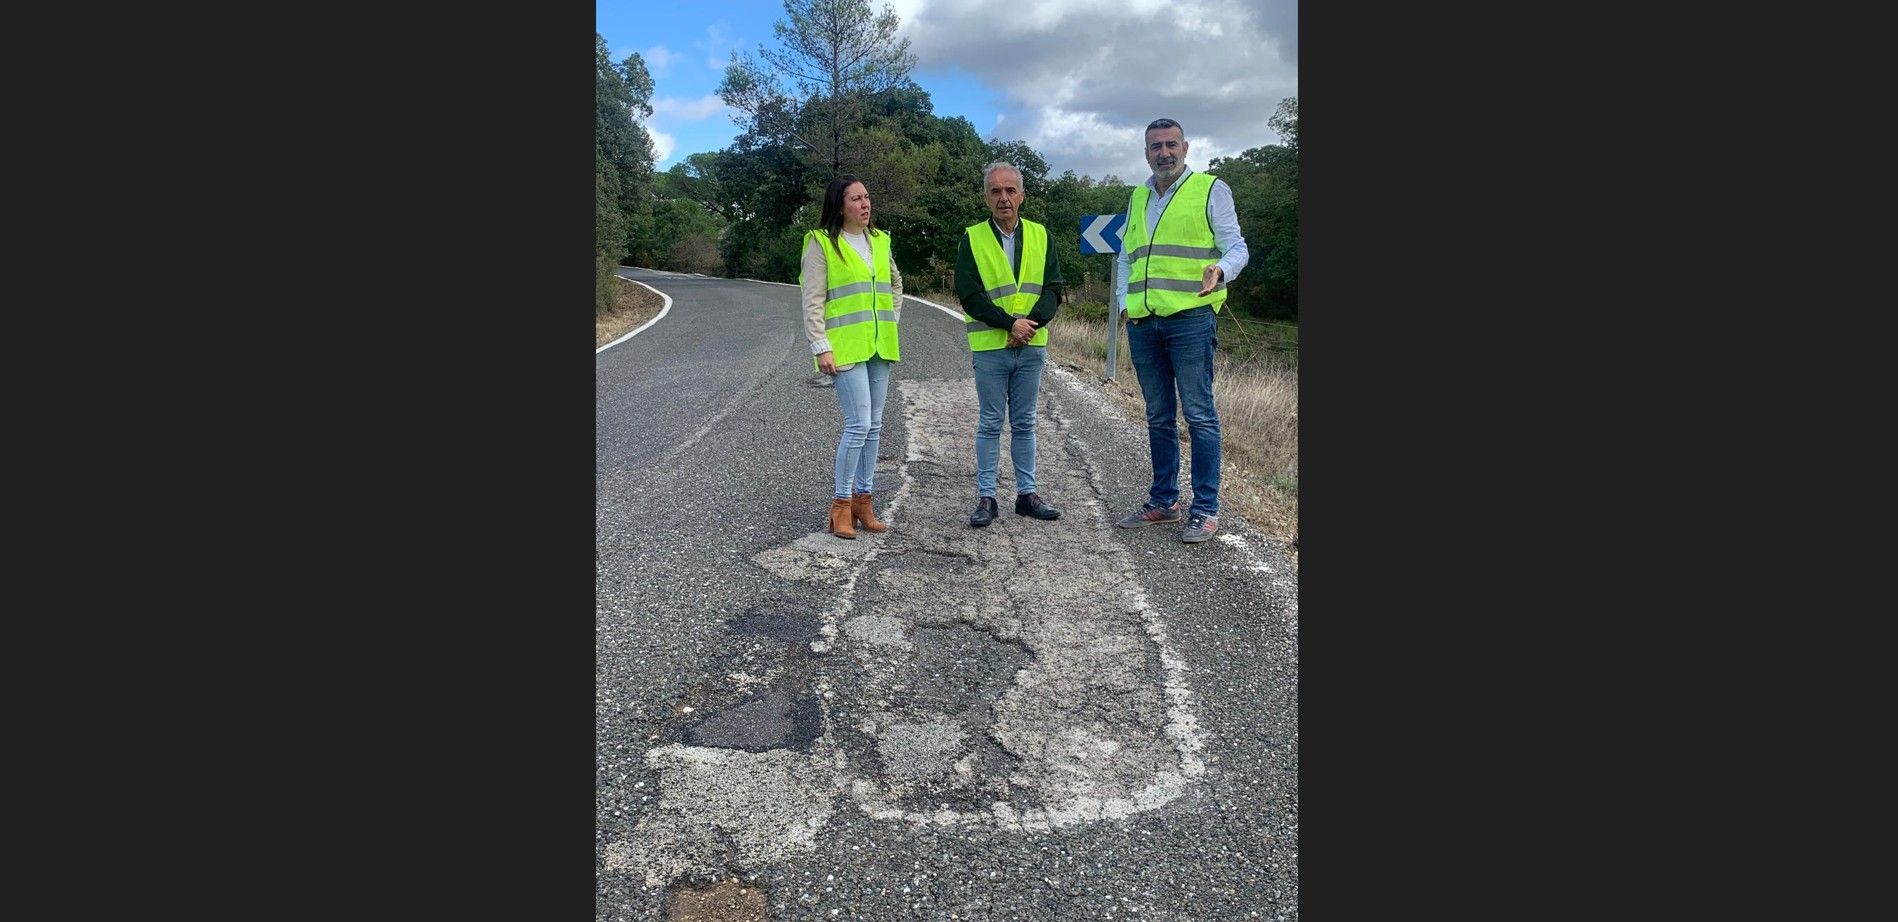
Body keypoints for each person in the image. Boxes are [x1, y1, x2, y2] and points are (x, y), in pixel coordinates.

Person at [1113, 117, 1249, 544]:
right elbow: (1125, 257)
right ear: (1146, 152)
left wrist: (1221, 269)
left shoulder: (1211, 189)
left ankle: (1205, 509)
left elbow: (1237, 247)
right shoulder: (1137, 196)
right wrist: (1123, 303)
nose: (1164, 152)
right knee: (1157, 415)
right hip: (1143, 321)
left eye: (1171, 144)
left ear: (1186, 148)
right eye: (1156, 146)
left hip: (1190, 318)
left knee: (1200, 415)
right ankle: (1164, 501)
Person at [956, 161, 1064, 527]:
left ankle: (1027, 495)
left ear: (1022, 195)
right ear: (986, 197)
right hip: (990, 347)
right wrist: (1009, 324)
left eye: (1010, 190)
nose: (1004, 198)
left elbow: (1053, 290)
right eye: (996, 191)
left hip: (1031, 346)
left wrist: (1028, 327)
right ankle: (987, 498)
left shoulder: (1042, 235)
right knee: (989, 423)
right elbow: (969, 295)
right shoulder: (971, 237)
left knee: (1025, 423)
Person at [800, 174, 902, 539]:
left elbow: (894, 283)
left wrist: (891, 319)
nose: (865, 204)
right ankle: (841, 505)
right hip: (844, 346)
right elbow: (812, 299)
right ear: (839, 205)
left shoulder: (880, 240)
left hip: (879, 344)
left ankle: (863, 500)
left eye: (867, 197)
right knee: (858, 424)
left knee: (874, 425)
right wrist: (820, 345)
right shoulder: (822, 243)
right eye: (856, 199)